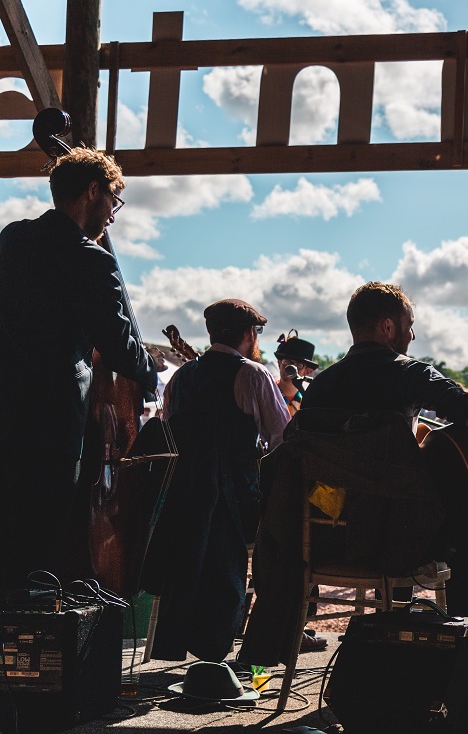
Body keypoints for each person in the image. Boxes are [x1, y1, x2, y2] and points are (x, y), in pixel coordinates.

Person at [0, 147, 158, 592]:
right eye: (113, 200)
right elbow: (120, 346)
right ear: (93, 192)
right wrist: (150, 372)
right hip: (53, 417)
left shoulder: (10, 240)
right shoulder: (91, 260)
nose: (112, 214)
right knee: (38, 539)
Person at [298, 281, 468, 617]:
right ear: (388, 327)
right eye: (410, 326)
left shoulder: (318, 388)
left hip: (326, 536)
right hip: (396, 541)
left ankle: (395, 620)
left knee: (402, 502)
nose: (412, 337)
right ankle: (462, 644)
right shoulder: (410, 374)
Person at [141, 299, 291, 661]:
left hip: (182, 506)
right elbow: (283, 441)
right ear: (248, 333)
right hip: (234, 504)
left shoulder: (180, 378)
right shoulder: (253, 375)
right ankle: (257, 642)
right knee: (286, 540)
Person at [275, 330, 319, 417]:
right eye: (286, 362)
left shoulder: (308, 403)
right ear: (279, 363)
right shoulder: (267, 393)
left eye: (298, 365)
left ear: (308, 372)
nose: (291, 368)